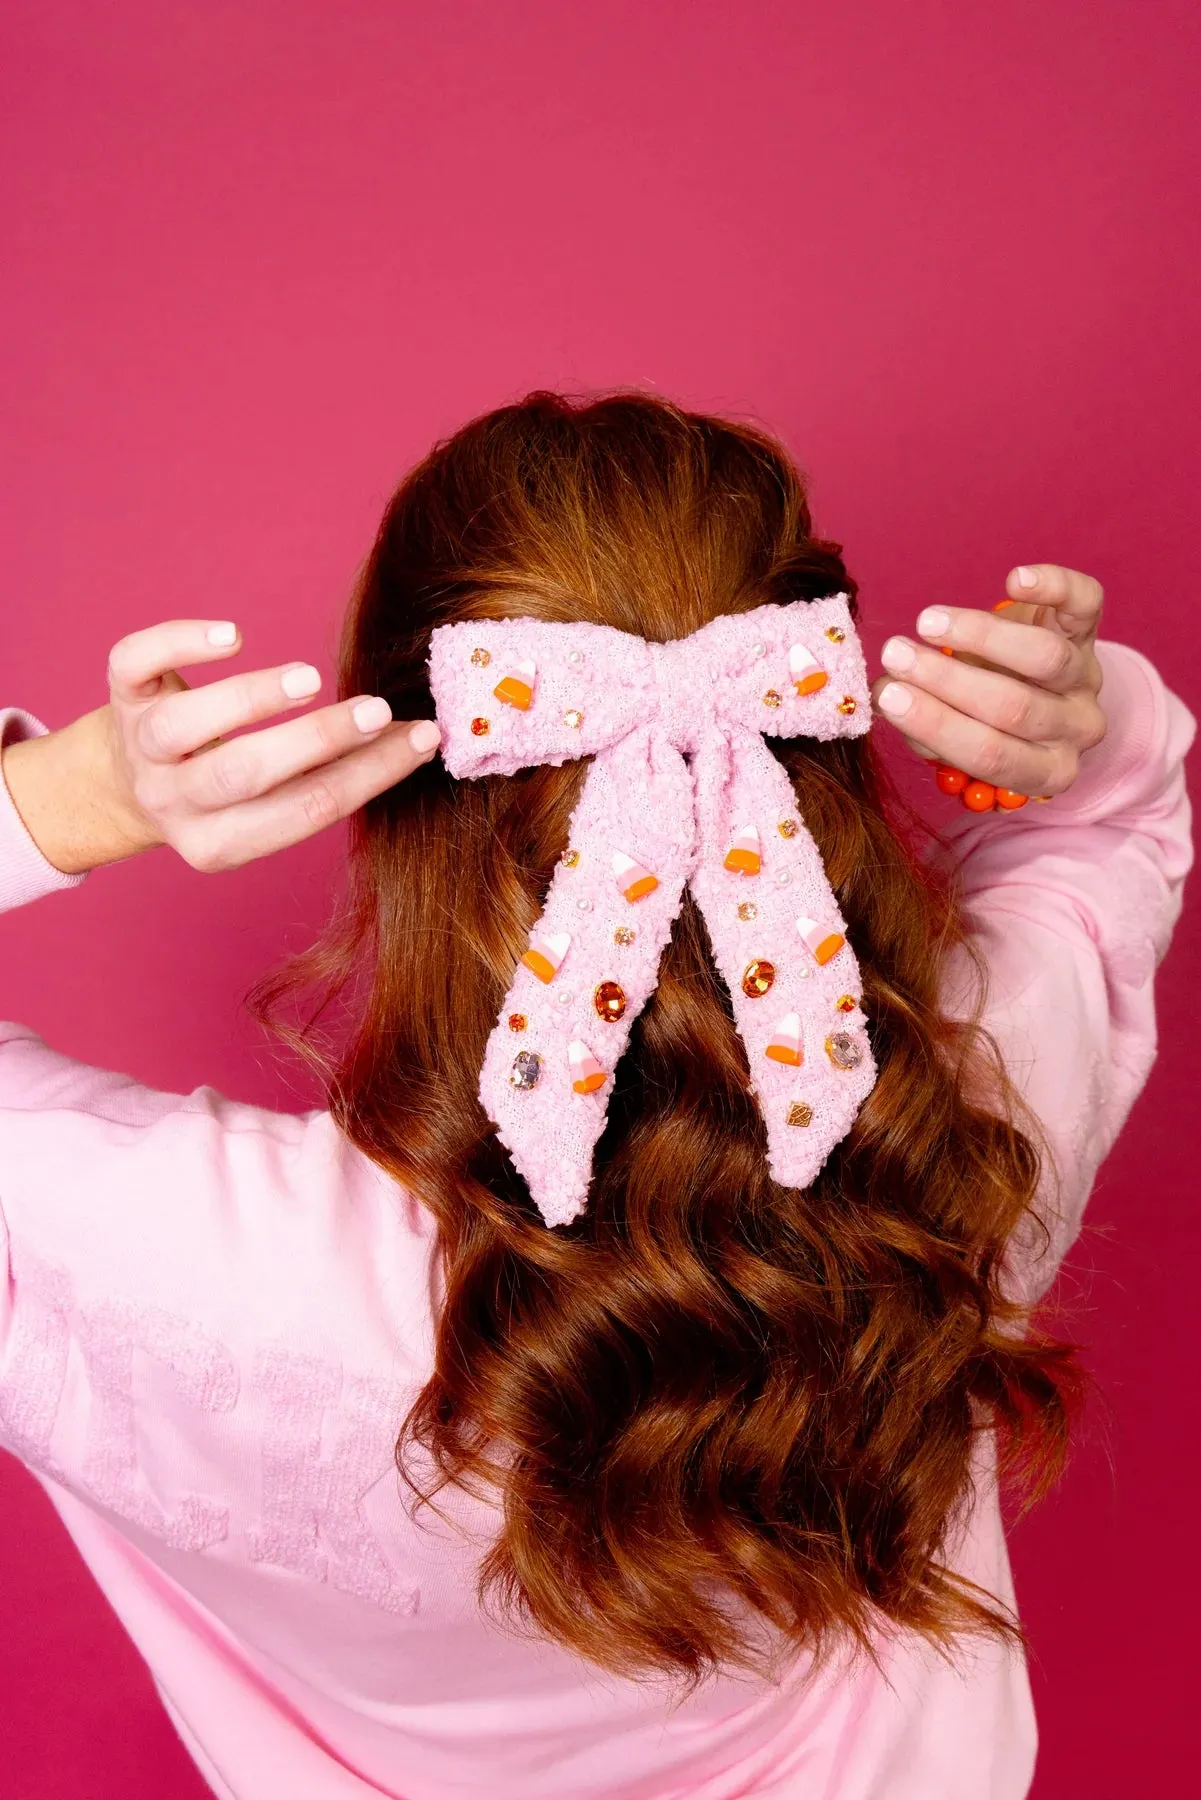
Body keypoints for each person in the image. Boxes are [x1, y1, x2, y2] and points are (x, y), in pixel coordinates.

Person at [0, 392, 1191, 1800]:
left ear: (397, 794)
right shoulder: (979, 1128)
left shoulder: (170, 1258)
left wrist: (67, 801)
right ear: (821, 730)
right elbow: (1121, 827)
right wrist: (1089, 721)